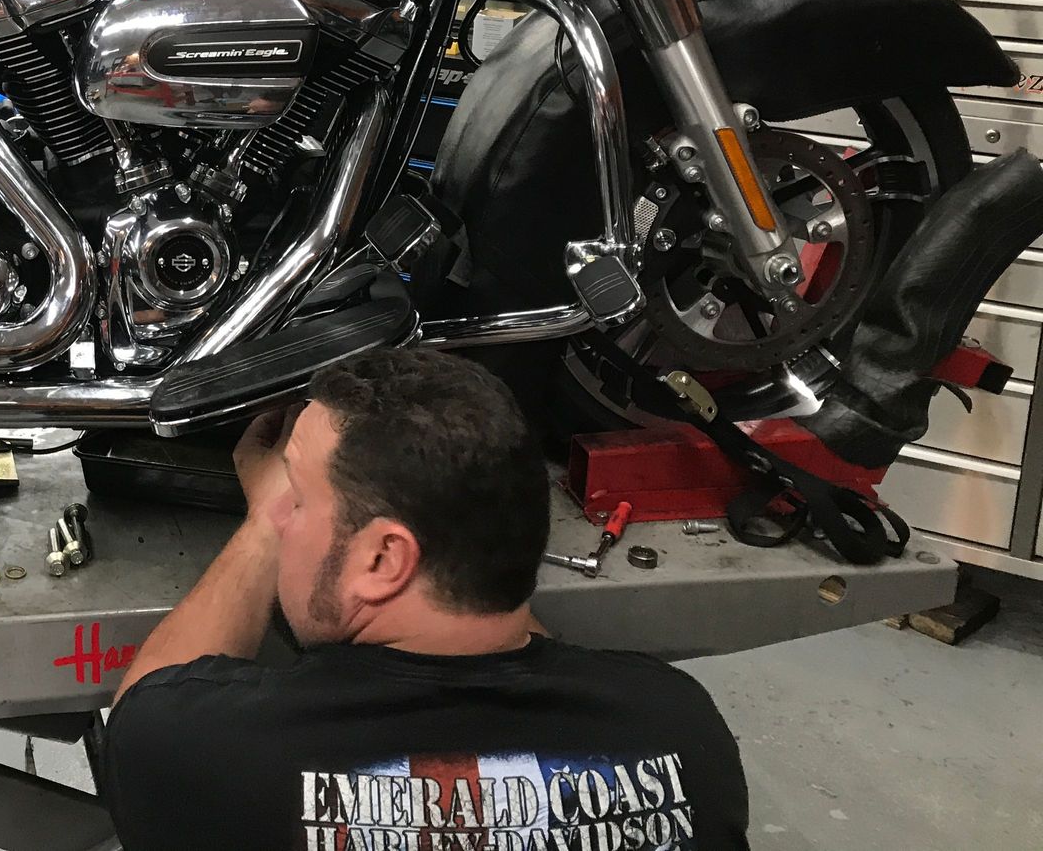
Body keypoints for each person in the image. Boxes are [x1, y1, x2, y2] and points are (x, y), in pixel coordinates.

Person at [101, 348, 750, 850]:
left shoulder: (201, 750)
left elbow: (148, 700)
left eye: (296, 498)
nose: (285, 514)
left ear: (383, 561)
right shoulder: (679, 730)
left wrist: (261, 527)